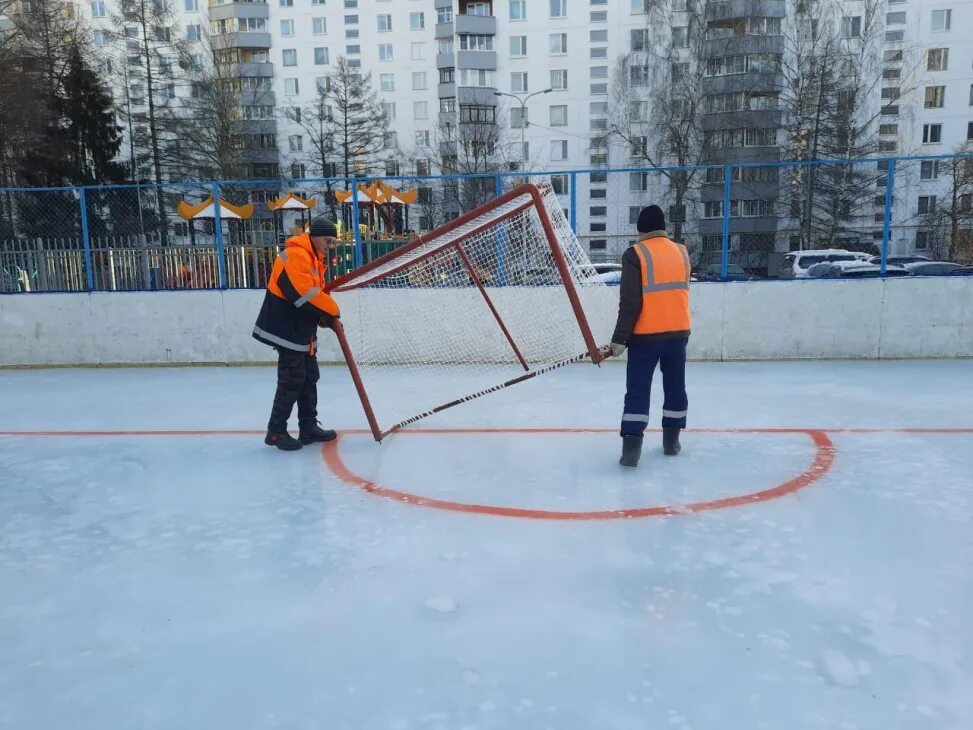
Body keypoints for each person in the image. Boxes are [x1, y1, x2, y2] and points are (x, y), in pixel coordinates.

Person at [610, 205, 691, 468]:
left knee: (637, 391)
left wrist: (619, 339)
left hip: (645, 336)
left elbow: (630, 302)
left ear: (640, 229)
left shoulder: (636, 254)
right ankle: (672, 442)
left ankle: (631, 451)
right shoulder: (681, 251)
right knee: (675, 386)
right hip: (678, 332)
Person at [253, 216, 342, 451]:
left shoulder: (314, 259)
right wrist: (333, 310)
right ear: (314, 236)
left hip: (302, 330)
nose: (330, 246)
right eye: (328, 240)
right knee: (292, 380)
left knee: (308, 378)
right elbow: (303, 293)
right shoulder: (296, 255)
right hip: (286, 328)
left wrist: (323, 318)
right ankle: (275, 431)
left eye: (333, 242)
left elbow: (312, 296)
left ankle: (308, 427)